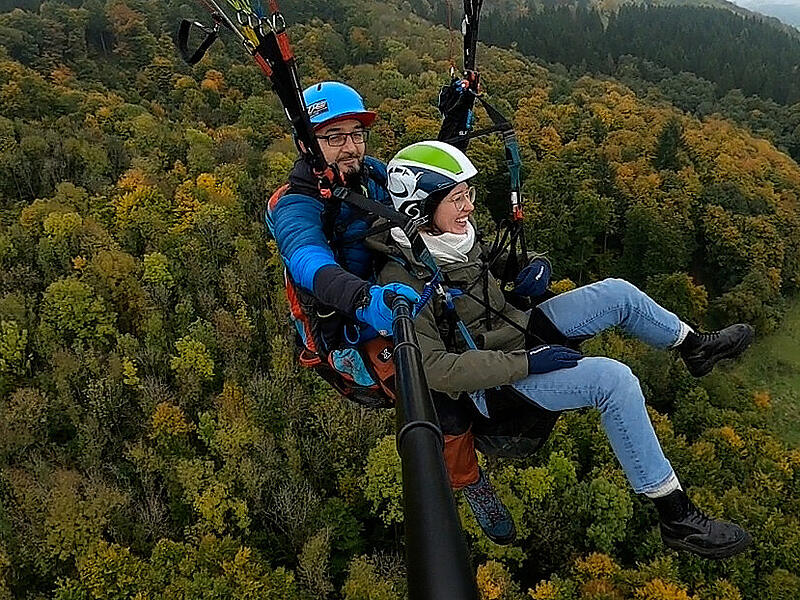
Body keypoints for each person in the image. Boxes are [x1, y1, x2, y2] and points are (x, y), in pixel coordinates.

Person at [374, 139, 754, 558]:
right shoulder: (404, 281)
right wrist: (525, 364)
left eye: (470, 195)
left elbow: (497, 263)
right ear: (419, 210)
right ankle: (676, 515)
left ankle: (695, 346)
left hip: (517, 333)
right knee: (613, 380)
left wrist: (536, 265)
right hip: (497, 384)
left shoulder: (454, 238)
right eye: (458, 198)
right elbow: (433, 369)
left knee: (616, 293)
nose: (469, 208)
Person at [266, 81, 420, 369]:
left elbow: (423, 195)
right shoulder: (296, 204)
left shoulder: (370, 174)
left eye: (357, 134)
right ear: (305, 145)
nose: (351, 148)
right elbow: (307, 260)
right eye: (335, 137)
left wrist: (456, 121)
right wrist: (364, 300)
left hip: (390, 287)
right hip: (348, 324)